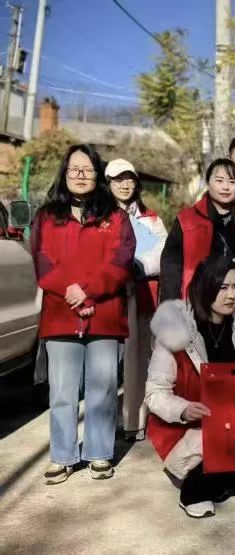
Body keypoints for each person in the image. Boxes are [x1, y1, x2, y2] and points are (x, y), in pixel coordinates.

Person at [145, 256, 235, 518]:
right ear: (204, 287)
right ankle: (196, 488)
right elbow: (155, 392)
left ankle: (217, 477)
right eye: (223, 287)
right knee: (225, 458)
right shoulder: (176, 331)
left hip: (234, 423)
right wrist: (183, 409)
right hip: (191, 427)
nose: (231, 295)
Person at [31, 144, 135, 484]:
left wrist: (88, 290)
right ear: (64, 174)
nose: (80, 175)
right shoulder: (46, 217)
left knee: (103, 389)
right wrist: (73, 292)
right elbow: (43, 261)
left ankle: (99, 453)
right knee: (62, 391)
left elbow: (121, 260)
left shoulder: (115, 217)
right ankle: (62, 456)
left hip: (105, 315)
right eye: (74, 169)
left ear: (97, 175)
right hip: (61, 315)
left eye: (87, 169)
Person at [105, 158, 168, 441]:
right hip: (107, 298)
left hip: (141, 297)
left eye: (129, 179)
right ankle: (106, 424)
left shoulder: (151, 218)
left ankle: (135, 422)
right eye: (118, 179)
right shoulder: (99, 217)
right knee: (105, 365)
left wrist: (138, 266)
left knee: (138, 360)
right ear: (108, 184)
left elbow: (164, 252)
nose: (125, 184)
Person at [159, 158, 235, 303]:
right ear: (208, 182)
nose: (226, 187)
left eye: (232, 182)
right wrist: (171, 303)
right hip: (194, 299)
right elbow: (171, 265)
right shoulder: (186, 218)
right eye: (219, 181)